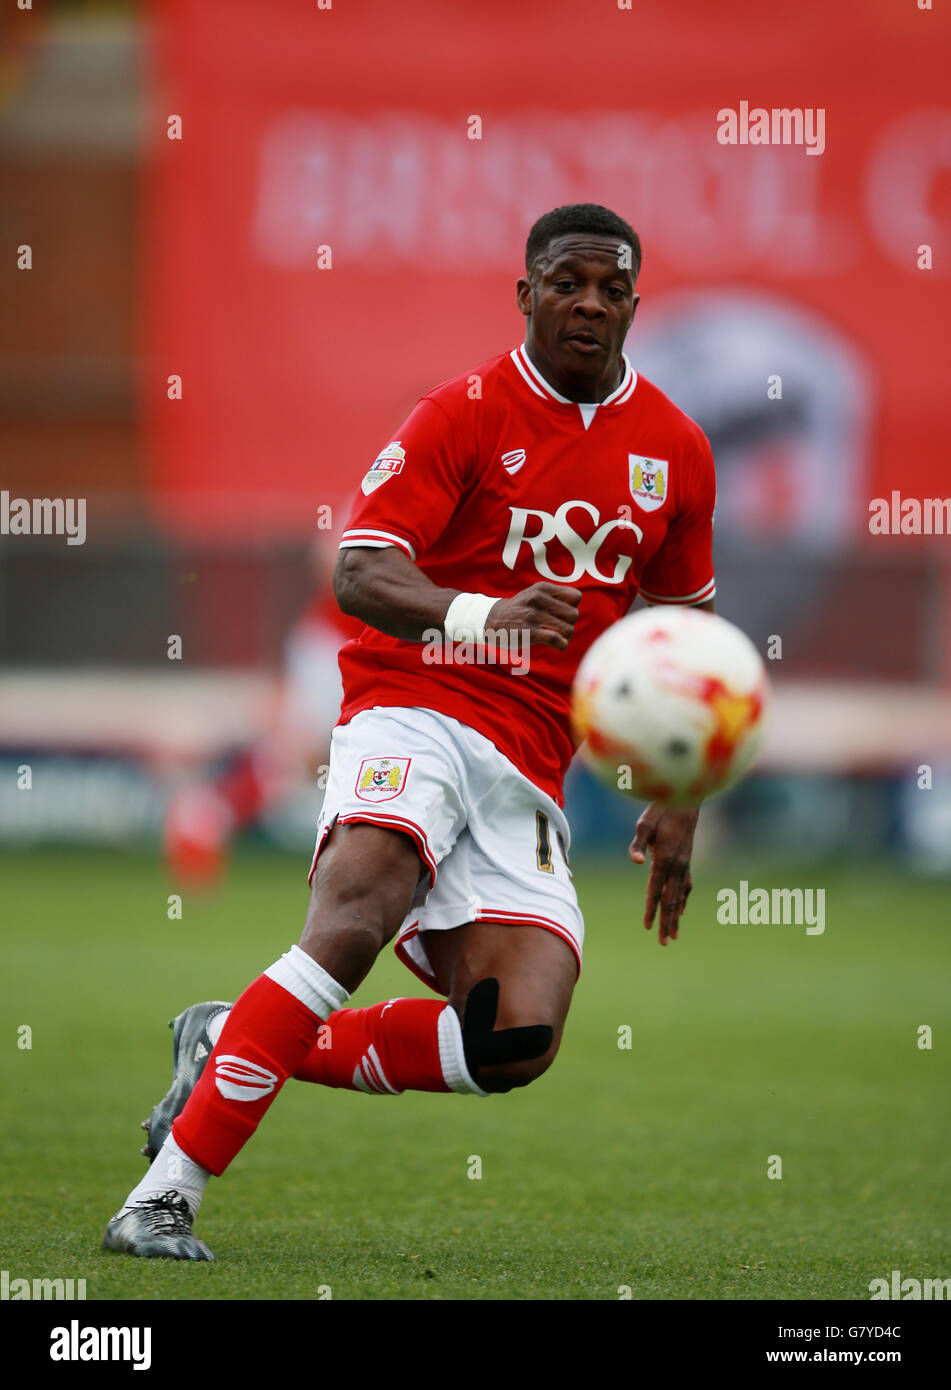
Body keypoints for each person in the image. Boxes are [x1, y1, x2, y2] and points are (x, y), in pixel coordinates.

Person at [103, 202, 717, 1261]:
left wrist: (681, 795)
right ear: (525, 295)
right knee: (355, 914)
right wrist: (486, 617)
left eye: (611, 289)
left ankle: (228, 1036)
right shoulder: (463, 414)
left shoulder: (674, 448)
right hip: (416, 701)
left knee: (516, 1037)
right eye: (566, 283)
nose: (588, 304)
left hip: (530, 765)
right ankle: (165, 1194)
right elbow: (360, 570)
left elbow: (686, 631)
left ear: (633, 304)